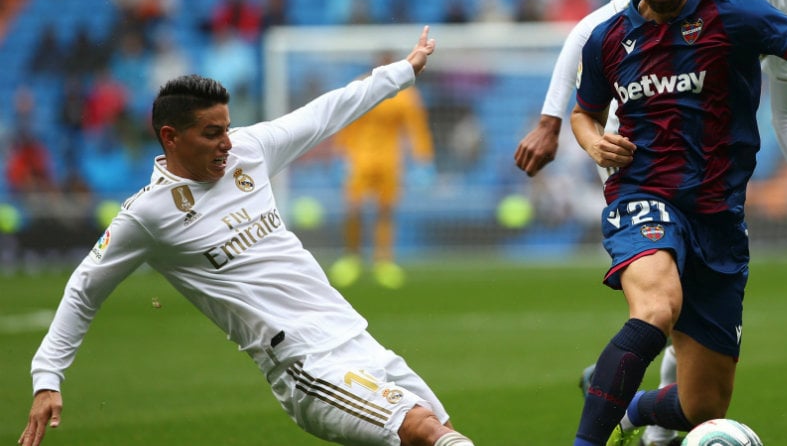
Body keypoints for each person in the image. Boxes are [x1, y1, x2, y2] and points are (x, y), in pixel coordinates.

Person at [18, 26, 475, 446]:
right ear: (171, 137)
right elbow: (84, 288)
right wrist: (47, 378)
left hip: (355, 335)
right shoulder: (149, 214)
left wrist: (401, 71)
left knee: (442, 432)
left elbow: (324, 113)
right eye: (213, 133)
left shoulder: (249, 151)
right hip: (306, 365)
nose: (228, 143)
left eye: (228, 128)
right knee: (423, 432)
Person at [515, 0, 787, 443]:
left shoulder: (739, 13)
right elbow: (588, 112)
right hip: (643, 196)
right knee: (655, 307)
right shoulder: (610, 36)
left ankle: (626, 405)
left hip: (719, 216)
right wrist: (587, 140)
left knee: (703, 406)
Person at [327, 52, 436, 289]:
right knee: (353, 208)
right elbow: (346, 120)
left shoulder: (406, 94)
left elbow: (415, 128)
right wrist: (340, 154)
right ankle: (352, 257)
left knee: (386, 209)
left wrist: (423, 160)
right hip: (359, 158)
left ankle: (383, 260)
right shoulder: (362, 86)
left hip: (389, 159)